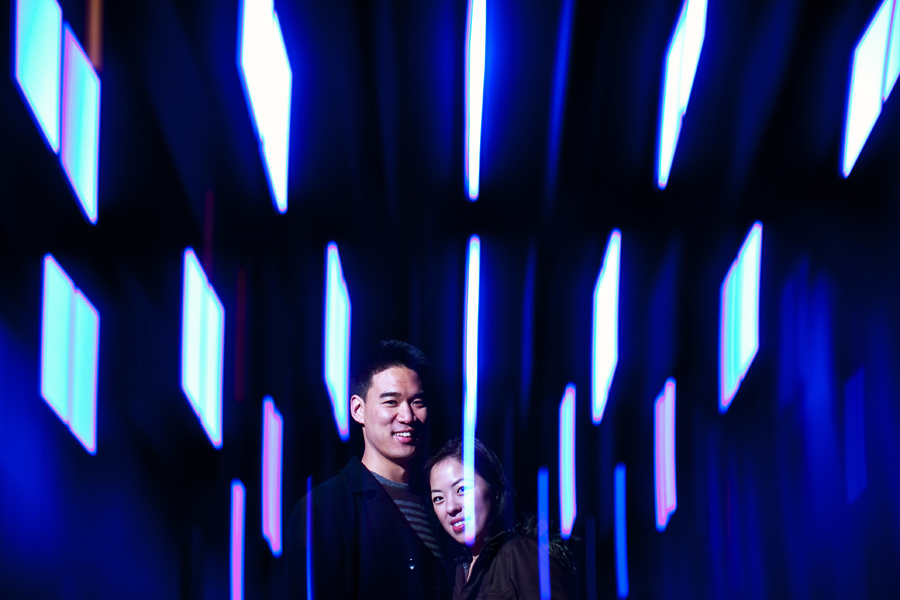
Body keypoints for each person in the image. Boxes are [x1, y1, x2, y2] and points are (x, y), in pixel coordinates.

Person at [284, 341, 451, 600]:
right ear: (358, 410)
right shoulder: (324, 508)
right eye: (391, 402)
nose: (407, 416)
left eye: (417, 402)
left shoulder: (441, 502)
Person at [427, 437, 580, 600]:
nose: (451, 507)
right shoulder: (457, 569)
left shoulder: (519, 553)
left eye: (462, 489)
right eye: (438, 498)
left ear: (495, 490)